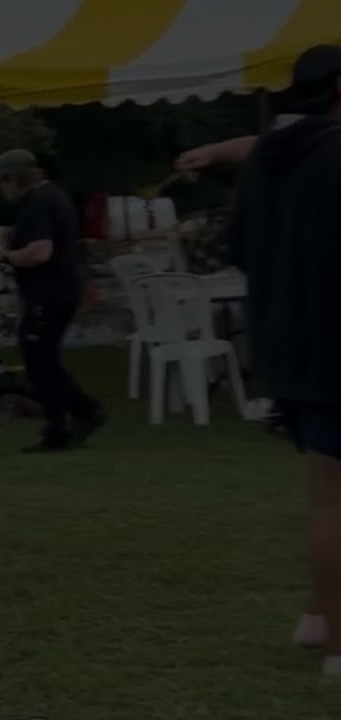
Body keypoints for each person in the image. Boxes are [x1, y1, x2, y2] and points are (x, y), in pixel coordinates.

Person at [220, 44, 341, 676]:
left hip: (288, 347)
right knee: (334, 500)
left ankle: (319, 618)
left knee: (327, 494)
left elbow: (238, 247)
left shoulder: (266, 160)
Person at [0, 149, 106, 452]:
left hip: (48, 292)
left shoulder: (36, 202)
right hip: (58, 290)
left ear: (15, 179)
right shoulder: (53, 196)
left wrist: (2, 254)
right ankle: (72, 418)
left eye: (3, 181)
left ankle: (71, 419)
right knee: (41, 359)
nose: (0, 188)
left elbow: (40, 252)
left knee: (39, 361)